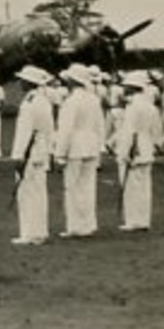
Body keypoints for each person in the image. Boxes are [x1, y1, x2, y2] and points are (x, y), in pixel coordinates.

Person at [52, 64, 105, 238]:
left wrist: (60, 153)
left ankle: (75, 226)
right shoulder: (93, 99)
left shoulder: (71, 101)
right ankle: (88, 224)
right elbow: (100, 126)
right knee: (88, 187)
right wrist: (99, 146)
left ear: (72, 81)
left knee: (73, 188)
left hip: (75, 147)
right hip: (91, 145)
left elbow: (66, 129)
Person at [9, 65, 55, 245]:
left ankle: (29, 233)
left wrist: (18, 155)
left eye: (22, 80)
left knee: (27, 193)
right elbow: (50, 129)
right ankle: (40, 231)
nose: (20, 82)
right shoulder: (43, 101)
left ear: (29, 83)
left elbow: (24, 132)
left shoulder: (30, 103)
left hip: (30, 152)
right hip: (41, 151)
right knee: (38, 192)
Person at [113, 71, 163, 232]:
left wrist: (125, 152)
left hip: (135, 146)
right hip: (146, 145)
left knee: (131, 186)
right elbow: (157, 130)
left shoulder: (133, 106)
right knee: (144, 186)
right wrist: (154, 144)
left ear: (132, 87)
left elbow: (129, 131)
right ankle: (143, 219)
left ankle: (133, 220)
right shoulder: (150, 106)